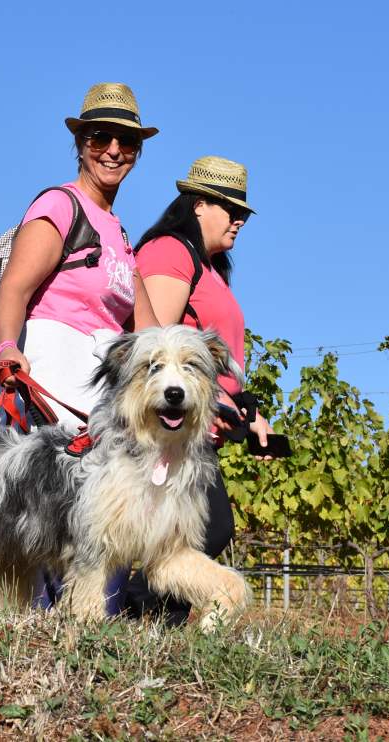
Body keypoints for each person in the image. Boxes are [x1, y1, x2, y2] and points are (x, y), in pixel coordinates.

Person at [123, 155, 275, 625]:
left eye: (244, 213)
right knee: (201, 532)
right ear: (198, 204)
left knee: (201, 533)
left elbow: (214, 360)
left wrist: (244, 410)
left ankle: (151, 636)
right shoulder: (171, 252)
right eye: (232, 209)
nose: (240, 221)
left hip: (199, 426)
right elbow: (157, 345)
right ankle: (127, 618)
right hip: (171, 430)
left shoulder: (208, 267)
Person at [0, 83, 160, 435]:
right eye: (100, 138)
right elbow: (14, 288)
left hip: (99, 401)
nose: (114, 151)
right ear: (81, 145)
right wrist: (7, 348)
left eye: (126, 142)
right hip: (49, 391)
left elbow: (151, 334)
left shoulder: (119, 235)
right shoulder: (60, 206)